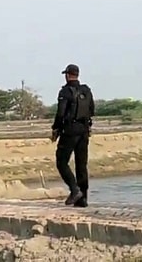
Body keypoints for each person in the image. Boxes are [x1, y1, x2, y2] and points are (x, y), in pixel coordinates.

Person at [51, 64, 94, 207]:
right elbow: (92, 110)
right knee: (82, 164)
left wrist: (55, 128)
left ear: (68, 75)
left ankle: (75, 189)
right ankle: (83, 198)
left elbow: (61, 113)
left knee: (61, 162)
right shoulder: (86, 90)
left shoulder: (65, 92)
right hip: (84, 130)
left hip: (70, 131)